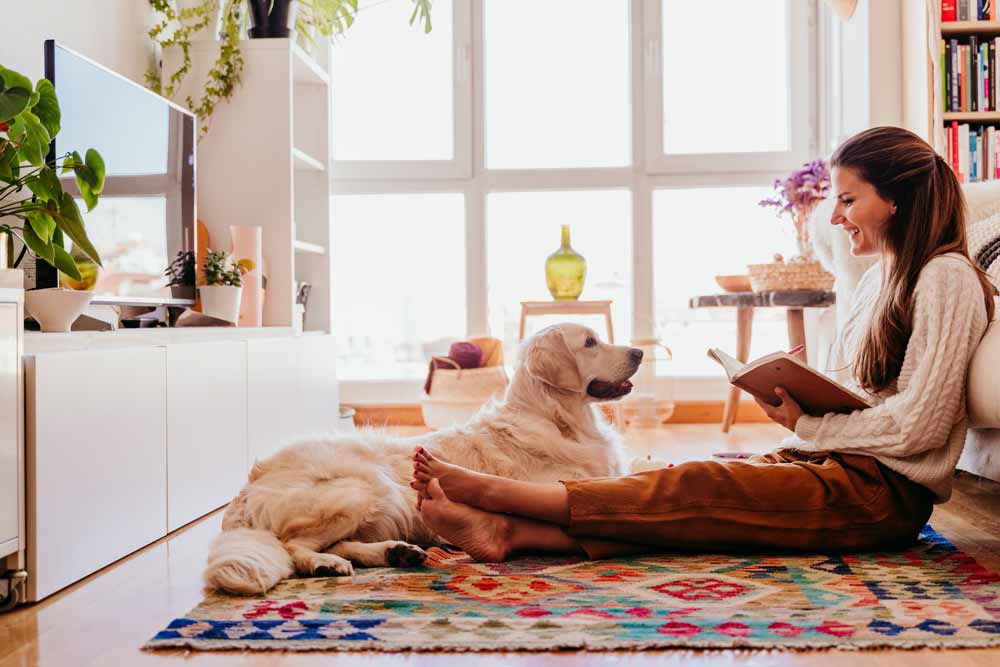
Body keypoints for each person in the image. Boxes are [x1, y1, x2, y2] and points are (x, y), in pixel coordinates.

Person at [409, 126, 997, 562]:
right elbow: (870, 396)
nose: (837, 217)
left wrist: (811, 425)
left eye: (849, 200)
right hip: (842, 464)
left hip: (881, 494)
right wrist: (807, 394)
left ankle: (498, 494)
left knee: (699, 491)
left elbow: (920, 425)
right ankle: (510, 533)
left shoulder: (945, 276)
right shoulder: (878, 281)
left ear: (897, 200)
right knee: (698, 491)